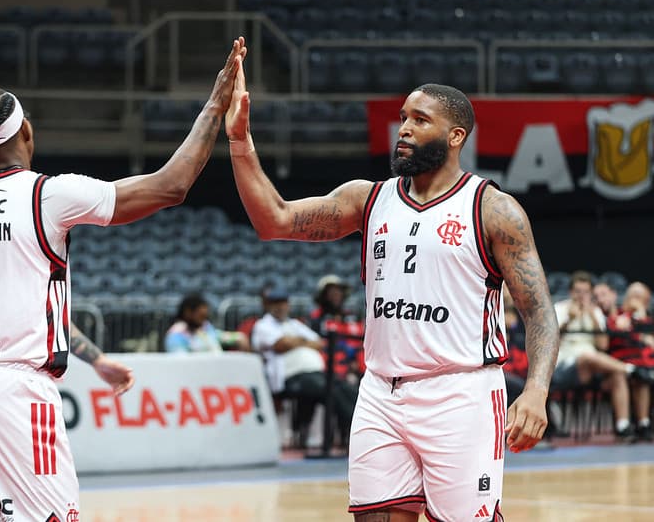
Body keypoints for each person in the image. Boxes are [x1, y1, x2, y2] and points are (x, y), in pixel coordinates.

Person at [0, 37, 247, 521]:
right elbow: (171, 185)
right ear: (28, 134)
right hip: (15, 392)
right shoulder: (47, 195)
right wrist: (212, 106)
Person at [226, 69, 559, 520]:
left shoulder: (492, 209)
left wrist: (536, 389)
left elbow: (539, 311)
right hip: (381, 392)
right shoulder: (369, 199)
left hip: (461, 394)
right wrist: (240, 142)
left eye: (420, 120)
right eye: (403, 117)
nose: (404, 128)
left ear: (455, 135)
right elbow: (275, 220)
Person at [251, 285, 357, 447]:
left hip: (314, 372)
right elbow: (281, 344)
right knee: (329, 389)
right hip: (289, 377)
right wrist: (302, 341)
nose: (280, 306)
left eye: (284, 302)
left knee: (346, 388)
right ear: (269, 305)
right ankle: (350, 433)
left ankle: (354, 429)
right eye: (276, 303)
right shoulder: (263, 325)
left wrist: (296, 341)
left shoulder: (293, 324)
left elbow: (319, 342)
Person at [552, 271, 653, 442]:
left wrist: (591, 316)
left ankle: (623, 426)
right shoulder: (559, 309)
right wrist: (569, 319)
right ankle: (632, 369)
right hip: (566, 364)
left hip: (593, 367)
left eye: (585, 292)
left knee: (617, 375)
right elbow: (550, 342)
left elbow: (603, 345)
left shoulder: (596, 313)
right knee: (587, 356)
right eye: (578, 291)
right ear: (570, 292)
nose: (581, 295)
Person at [606, 281, 654, 441]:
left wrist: (640, 315)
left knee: (643, 376)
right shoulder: (616, 316)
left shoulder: (647, 320)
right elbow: (610, 336)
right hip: (620, 362)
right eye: (632, 295)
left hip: (645, 365)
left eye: (638, 297)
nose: (633, 300)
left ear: (646, 301)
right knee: (630, 374)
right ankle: (629, 425)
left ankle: (643, 423)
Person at [309, 274, 365, 383]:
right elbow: (318, 345)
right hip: (332, 372)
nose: (336, 295)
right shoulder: (316, 319)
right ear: (323, 296)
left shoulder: (353, 317)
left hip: (361, 368)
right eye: (331, 292)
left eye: (338, 291)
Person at [164, 293, 248, 353]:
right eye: (201, 316)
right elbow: (181, 362)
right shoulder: (176, 335)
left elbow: (217, 335)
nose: (204, 320)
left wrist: (239, 337)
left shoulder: (204, 327)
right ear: (188, 312)